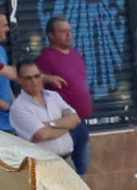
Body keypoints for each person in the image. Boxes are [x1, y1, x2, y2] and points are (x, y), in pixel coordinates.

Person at [34, 16, 94, 175]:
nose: (68, 35)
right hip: (62, 124)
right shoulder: (46, 58)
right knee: (62, 171)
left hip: (81, 121)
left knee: (83, 168)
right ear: (51, 35)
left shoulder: (76, 55)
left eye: (69, 31)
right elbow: (34, 84)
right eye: (62, 32)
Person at [6, 58, 79, 150]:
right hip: (42, 163)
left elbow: (76, 119)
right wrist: (67, 125)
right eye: (29, 78)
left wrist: (51, 125)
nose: (34, 81)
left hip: (67, 158)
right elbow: (43, 135)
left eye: (37, 76)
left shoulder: (53, 96)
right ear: (19, 79)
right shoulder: (19, 107)